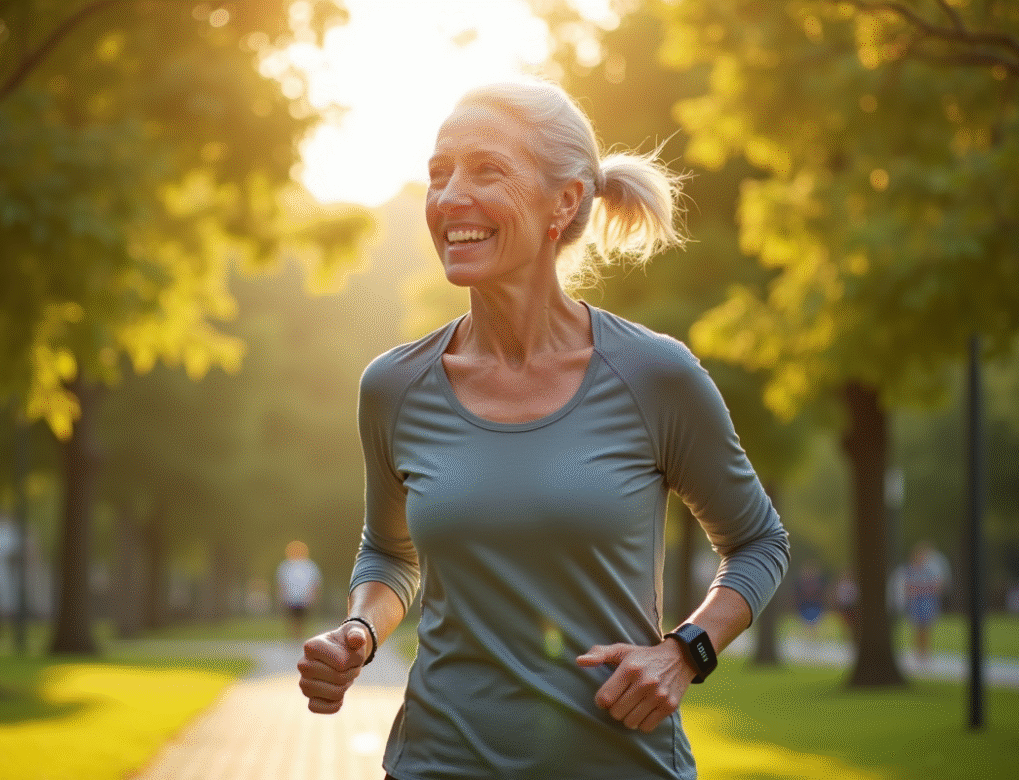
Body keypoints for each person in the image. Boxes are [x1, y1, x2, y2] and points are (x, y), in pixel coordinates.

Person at [297, 78, 790, 780]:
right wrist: (358, 632)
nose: (449, 197)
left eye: (487, 170)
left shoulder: (654, 375)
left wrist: (686, 651)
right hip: (438, 764)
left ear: (564, 202)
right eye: (439, 175)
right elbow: (389, 553)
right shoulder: (395, 387)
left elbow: (757, 540)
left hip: (620, 763)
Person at [904, 541, 944, 666]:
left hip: (927, 601)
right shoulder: (911, 570)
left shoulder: (930, 569)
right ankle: (918, 653)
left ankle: (925, 653)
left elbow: (937, 585)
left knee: (926, 628)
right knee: (917, 628)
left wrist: (922, 589)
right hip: (917, 602)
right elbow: (908, 587)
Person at [276, 540, 321, 641]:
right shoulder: (285, 566)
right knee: (292, 618)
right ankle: (293, 638)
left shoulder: (310, 566)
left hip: (304, 597)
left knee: (302, 619)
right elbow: (282, 583)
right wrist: (282, 595)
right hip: (290, 597)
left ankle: (300, 637)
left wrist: (313, 595)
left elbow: (315, 582)